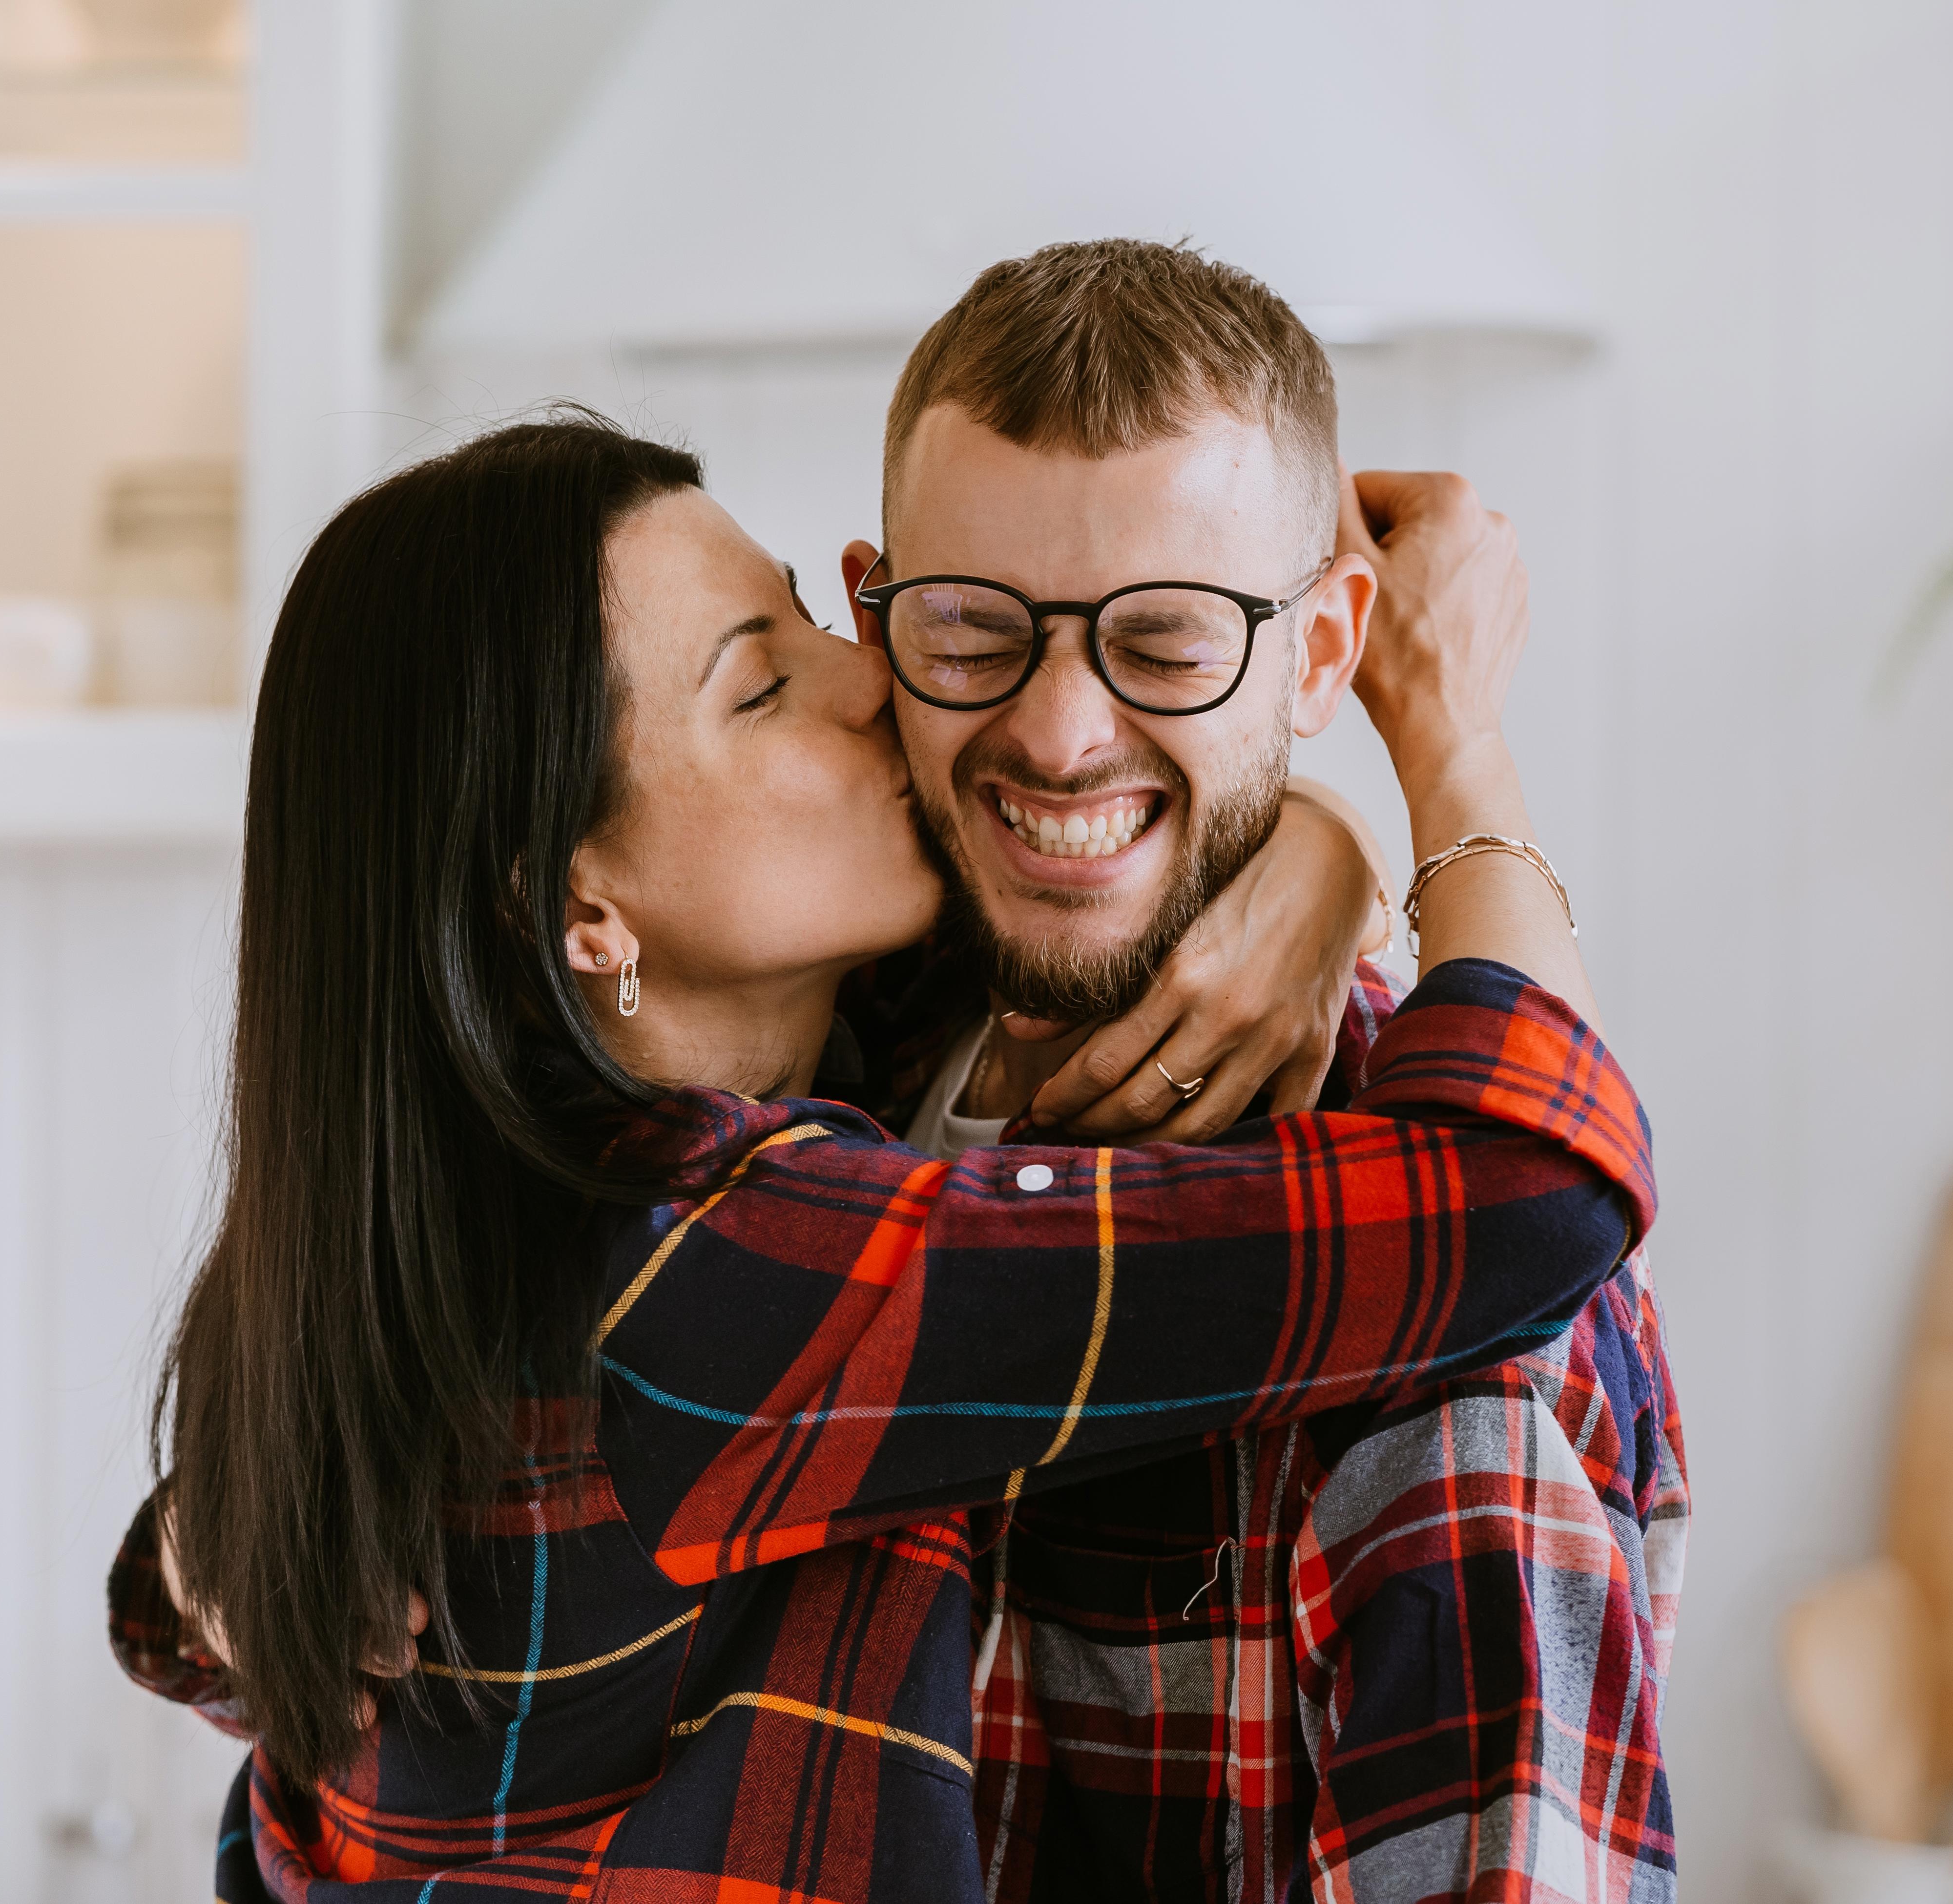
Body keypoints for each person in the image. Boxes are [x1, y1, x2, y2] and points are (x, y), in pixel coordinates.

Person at [109, 406, 1653, 1900]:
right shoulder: (716, 1268)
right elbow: (1523, 1191)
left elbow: (239, 1633)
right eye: (759, 687)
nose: (867, 685)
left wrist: (1306, 843)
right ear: (576, 909)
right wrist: (1448, 748)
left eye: (810, 618)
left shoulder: (456, 1227)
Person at [834, 240, 1686, 1901]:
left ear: (1319, 652)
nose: (1063, 732)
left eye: (1164, 646)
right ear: (879, 619)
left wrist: (1413, 784)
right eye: (974, 627)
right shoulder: (811, 1057)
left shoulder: (1446, 1316)